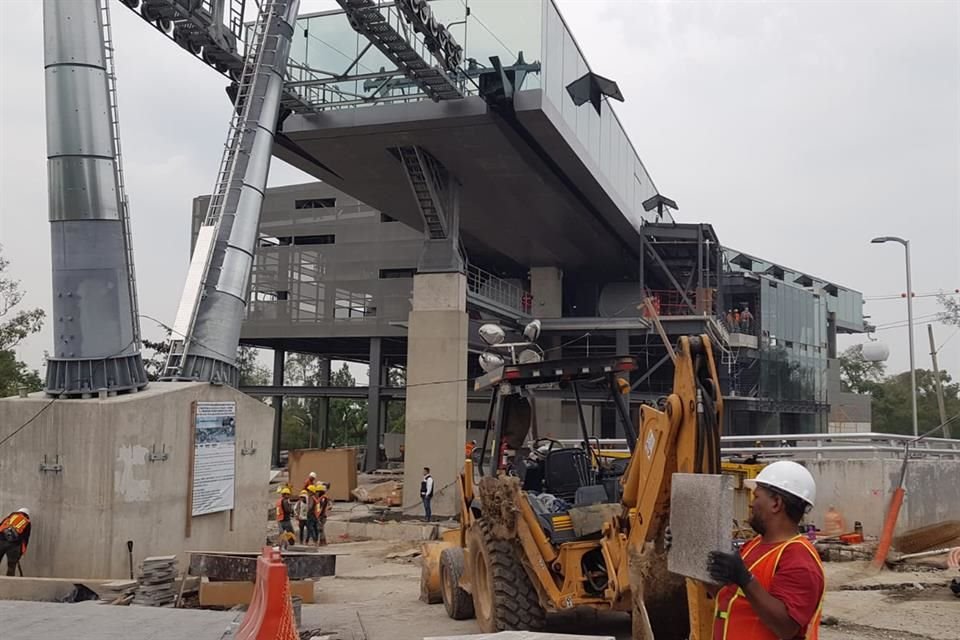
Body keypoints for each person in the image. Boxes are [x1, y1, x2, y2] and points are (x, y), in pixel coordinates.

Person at [708, 460, 824, 640]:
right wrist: (688, 552)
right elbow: (725, 596)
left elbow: (786, 627)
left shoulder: (799, 559)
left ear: (776, 503)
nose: (751, 504)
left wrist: (745, 580)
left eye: (756, 496)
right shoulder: (753, 545)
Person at [0, 507, 31, 577]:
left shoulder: (10, 517)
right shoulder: (27, 522)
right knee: (11, 566)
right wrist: (22, 551)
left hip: (1, 542)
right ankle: (9, 582)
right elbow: (25, 538)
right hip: (14, 545)